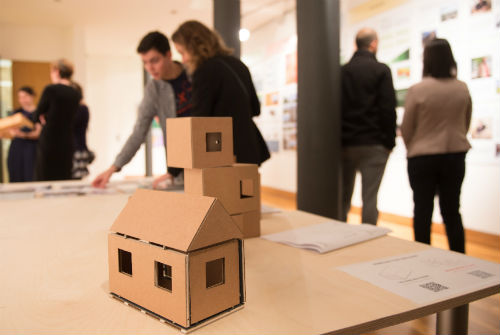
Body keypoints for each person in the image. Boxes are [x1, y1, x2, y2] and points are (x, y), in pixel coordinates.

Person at [92, 31, 192, 189]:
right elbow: (139, 131)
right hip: (179, 171)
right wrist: (114, 168)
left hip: (209, 161)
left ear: (169, 55)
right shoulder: (153, 89)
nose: (150, 68)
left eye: (154, 60)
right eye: (145, 62)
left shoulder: (193, 74)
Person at [401, 38, 471, 253]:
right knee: (452, 211)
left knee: (422, 210)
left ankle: (423, 259)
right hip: (455, 154)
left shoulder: (418, 90)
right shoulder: (461, 88)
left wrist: (416, 146)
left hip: (422, 157)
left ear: (426, 60)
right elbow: (465, 122)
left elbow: (406, 128)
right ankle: (461, 259)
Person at [172, 20, 270, 166]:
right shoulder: (239, 65)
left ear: (195, 46)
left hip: (225, 153)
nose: (184, 59)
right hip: (249, 149)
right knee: (248, 189)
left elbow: (200, 119)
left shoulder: (204, 71)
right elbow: (255, 109)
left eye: (183, 52)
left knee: (224, 189)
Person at [340, 28, 396, 225]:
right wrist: (389, 142)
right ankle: (368, 244)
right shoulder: (381, 70)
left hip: (346, 144)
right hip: (373, 144)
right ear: (373, 44)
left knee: (342, 199)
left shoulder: (343, 71)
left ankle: (337, 239)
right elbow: (387, 109)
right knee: (370, 199)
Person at [33, 59, 81, 181]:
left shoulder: (51, 89)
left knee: (46, 175)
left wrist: (44, 118)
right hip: (67, 138)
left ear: (57, 71)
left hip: (50, 137)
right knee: (63, 174)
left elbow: (37, 114)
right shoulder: (76, 93)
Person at [4, 87, 41, 182]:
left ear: (32, 96)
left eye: (25, 96)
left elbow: (39, 133)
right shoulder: (16, 113)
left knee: (30, 175)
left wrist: (23, 134)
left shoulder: (38, 113)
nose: (22, 100)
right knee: (16, 176)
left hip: (31, 149)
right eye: (20, 97)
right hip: (16, 148)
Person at [71, 82, 95, 179]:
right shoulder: (81, 108)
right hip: (73, 148)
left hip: (77, 149)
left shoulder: (82, 108)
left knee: (74, 181)